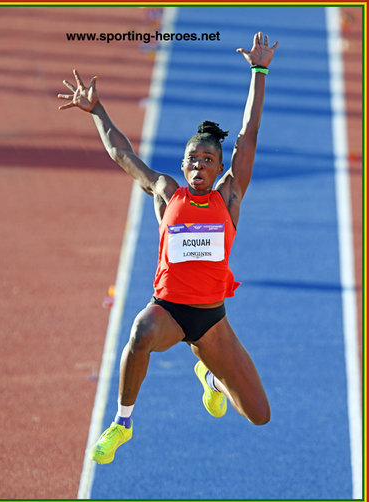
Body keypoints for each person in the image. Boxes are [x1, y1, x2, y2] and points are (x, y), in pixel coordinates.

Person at [58, 32, 279, 465]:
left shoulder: (229, 197)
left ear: (219, 168)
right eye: (193, 159)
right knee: (139, 333)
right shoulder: (166, 193)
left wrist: (259, 71)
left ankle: (211, 378)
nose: (199, 165)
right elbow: (122, 154)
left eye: (208, 161)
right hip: (169, 310)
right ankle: (122, 422)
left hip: (211, 319)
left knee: (259, 415)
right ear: (183, 165)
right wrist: (96, 110)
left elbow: (249, 133)